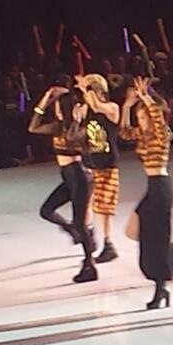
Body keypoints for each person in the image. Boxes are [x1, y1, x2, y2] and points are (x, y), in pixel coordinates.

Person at [120, 77, 173, 309]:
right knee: (134, 231)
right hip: (152, 187)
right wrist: (127, 106)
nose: (142, 121)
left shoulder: (162, 133)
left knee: (155, 238)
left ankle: (160, 288)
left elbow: (156, 115)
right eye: (140, 118)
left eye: (144, 117)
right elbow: (124, 132)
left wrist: (146, 97)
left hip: (162, 186)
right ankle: (170, 252)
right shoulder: (143, 135)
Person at [29, 86, 98, 283]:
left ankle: (90, 265)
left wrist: (76, 120)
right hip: (68, 177)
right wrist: (46, 98)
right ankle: (72, 229)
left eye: (58, 107)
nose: (56, 110)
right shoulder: (57, 126)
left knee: (80, 223)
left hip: (80, 177)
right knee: (46, 211)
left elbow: (71, 138)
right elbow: (33, 127)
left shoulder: (81, 128)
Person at [76, 74, 121, 264]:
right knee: (85, 204)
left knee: (105, 208)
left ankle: (109, 243)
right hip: (90, 163)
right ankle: (90, 236)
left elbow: (97, 106)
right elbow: (77, 118)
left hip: (108, 164)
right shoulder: (88, 107)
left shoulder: (112, 108)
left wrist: (86, 89)